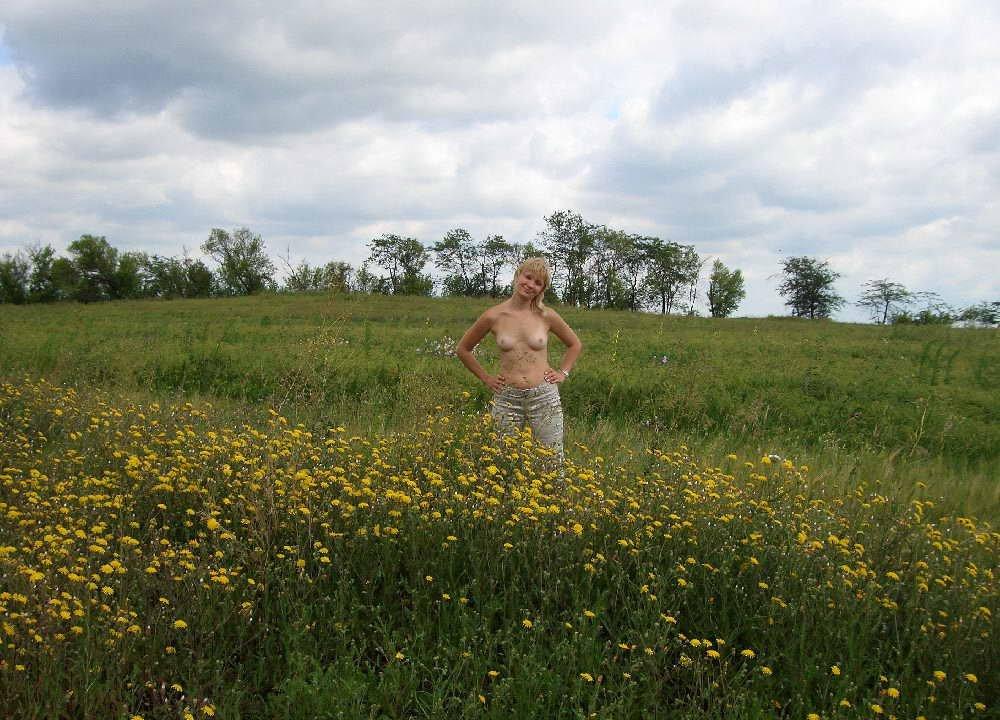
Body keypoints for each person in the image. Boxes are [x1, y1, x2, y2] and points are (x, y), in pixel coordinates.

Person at [456, 257, 582, 466]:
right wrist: (486, 378)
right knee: (502, 462)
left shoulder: (547, 315)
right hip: (507, 398)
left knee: (552, 460)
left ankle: (552, 488)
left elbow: (575, 344)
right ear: (518, 276)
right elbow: (463, 349)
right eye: (528, 277)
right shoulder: (493, 316)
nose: (530, 284)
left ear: (542, 289)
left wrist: (563, 373)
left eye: (538, 283)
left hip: (544, 396)